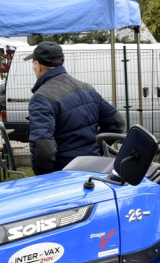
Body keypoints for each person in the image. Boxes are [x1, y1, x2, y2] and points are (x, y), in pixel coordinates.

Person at [27, 41, 125, 174]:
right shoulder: (87, 89)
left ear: (38, 66)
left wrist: (44, 178)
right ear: (62, 63)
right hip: (94, 171)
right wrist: (96, 148)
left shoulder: (41, 99)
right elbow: (118, 123)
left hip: (64, 175)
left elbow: (43, 148)